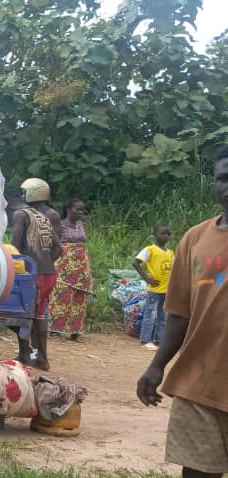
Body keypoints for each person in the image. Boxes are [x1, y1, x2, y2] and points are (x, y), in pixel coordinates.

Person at [137, 148, 228, 478]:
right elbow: (178, 314)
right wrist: (156, 366)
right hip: (199, 383)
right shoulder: (195, 239)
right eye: (222, 178)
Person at [9, 178, 62, 371]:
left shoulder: (21, 215)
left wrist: (26, 267)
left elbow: (15, 246)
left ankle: (25, 354)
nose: (22, 196)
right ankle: (42, 358)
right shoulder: (44, 217)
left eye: (24, 192)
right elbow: (58, 248)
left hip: (30, 275)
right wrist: (45, 264)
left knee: (22, 314)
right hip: (48, 274)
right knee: (39, 315)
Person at [49, 199, 93, 341]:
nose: (80, 212)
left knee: (80, 299)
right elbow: (53, 244)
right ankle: (55, 330)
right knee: (61, 297)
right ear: (68, 209)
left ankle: (76, 331)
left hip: (81, 267)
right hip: (64, 267)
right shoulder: (60, 225)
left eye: (82, 210)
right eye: (77, 209)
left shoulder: (81, 225)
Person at [133, 225, 174, 351]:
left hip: (166, 290)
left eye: (168, 234)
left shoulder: (171, 253)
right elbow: (136, 263)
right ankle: (145, 339)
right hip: (154, 290)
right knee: (150, 314)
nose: (166, 236)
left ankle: (159, 340)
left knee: (163, 316)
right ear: (155, 235)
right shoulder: (150, 249)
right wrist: (147, 279)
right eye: (163, 233)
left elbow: (174, 268)